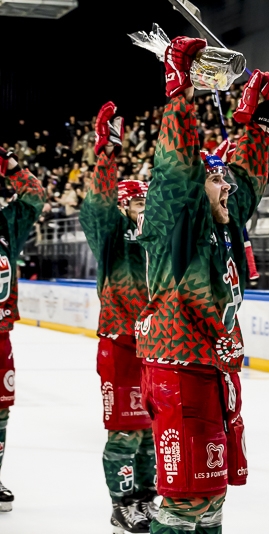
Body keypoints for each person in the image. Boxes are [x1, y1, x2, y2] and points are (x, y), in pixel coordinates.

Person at [135, 36, 269, 533]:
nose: (229, 187)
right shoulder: (175, 216)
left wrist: (255, 120)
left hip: (212, 369)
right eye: (217, 181)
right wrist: (180, 90)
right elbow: (178, 167)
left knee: (213, 498)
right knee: (185, 505)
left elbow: (245, 176)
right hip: (178, 371)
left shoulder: (221, 220)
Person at [79, 102, 154, 533]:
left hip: (155, 347)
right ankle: (122, 501)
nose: (143, 204)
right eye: (136, 199)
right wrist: (106, 156)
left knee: (147, 434)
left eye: (146, 198)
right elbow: (98, 207)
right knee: (124, 432)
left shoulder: (154, 238)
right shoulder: (111, 238)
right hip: (119, 345)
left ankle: (145, 497)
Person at [0, 147, 45, 513]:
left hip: (0, 335)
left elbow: (35, 198)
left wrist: (13, 166)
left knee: (0, 412)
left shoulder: (8, 222)